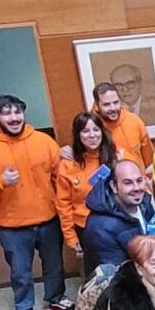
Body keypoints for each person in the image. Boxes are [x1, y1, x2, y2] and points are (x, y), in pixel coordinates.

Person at [0, 94, 71, 310]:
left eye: (17, 112)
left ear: (23, 114)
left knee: (54, 265)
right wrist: (0, 181)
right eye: (7, 113)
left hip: (48, 219)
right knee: (20, 271)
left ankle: (56, 297)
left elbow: (60, 176)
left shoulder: (43, 141)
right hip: (12, 226)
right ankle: (23, 306)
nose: (13, 118)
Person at [54, 111, 117, 260]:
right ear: (78, 135)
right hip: (85, 227)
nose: (92, 135)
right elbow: (64, 204)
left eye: (96, 130)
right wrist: (71, 237)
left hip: (116, 223)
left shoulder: (116, 158)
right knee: (95, 275)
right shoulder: (68, 165)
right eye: (85, 131)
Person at [80, 159, 155, 275]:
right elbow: (117, 275)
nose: (136, 188)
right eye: (128, 183)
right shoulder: (99, 227)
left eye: (139, 181)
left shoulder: (144, 203)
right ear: (114, 186)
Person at [93, 81, 155, 171]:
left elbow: (150, 161)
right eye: (106, 104)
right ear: (97, 105)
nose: (113, 108)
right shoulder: (91, 128)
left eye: (115, 102)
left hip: (138, 181)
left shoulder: (134, 121)